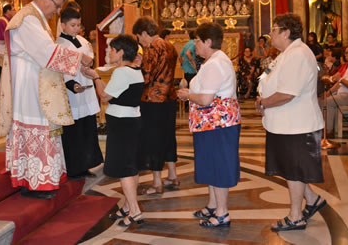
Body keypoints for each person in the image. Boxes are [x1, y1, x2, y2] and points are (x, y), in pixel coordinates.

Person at [0, 0, 93, 200]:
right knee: (35, 126)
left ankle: (38, 179)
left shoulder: (37, 19)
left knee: (43, 127)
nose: (57, 12)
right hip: (30, 86)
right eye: (57, 7)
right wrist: (78, 58)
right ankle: (34, 183)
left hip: (38, 82)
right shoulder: (28, 19)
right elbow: (46, 52)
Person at [255, 13, 326, 232]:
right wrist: (261, 97)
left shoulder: (298, 55)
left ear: (286, 32)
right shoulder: (286, 53)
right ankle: (312, 200)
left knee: (295, 171)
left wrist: (265, 102)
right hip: (286, 123)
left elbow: (287, 93)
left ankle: (296, 217)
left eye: (274, 30)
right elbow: (267, 78)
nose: (270, 35)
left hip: (297, 124)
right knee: (291, 168)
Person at [177, 22, 241, 228]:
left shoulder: (215, 63)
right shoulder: (213, 61)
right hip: (212, 123)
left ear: (208, 41)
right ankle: (213, 205)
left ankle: (222, 212)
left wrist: (188, 95)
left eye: (196, 41)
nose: (194, 45)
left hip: (217, 123)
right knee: (213, 164)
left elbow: (205, 99)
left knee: (219, 165)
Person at [82, 34, 145, 227]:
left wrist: (96, 77)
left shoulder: (122, 72)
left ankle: (135, 211)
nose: (108, 52)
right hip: (132, 121)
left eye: (112, 49)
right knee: (131, 165)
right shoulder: (135, 70)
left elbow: (104, 96)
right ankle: (127, 206)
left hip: (122, 124)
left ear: (121, 52)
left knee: (124, 169)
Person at [132, 17, 179, 194]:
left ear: (144, 33)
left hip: (153, 99)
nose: (139, 41)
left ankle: (157, 182)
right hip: (169, 97)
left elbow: (146, 77)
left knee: (154, 140)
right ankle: (173, 175)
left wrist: (136, 66)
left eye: (139, 37)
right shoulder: (170, 46)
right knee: (168, 136)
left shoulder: (151, 48)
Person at [56, 8, 103, 179]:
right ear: (63, 25)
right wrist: (72, 84)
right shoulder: (59, 45)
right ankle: (73, 167)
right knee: (74, 132)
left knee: (87, 129)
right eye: (72, 25)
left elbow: (90, 59)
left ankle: (86, 164)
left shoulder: (83, 40)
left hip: (86, 88)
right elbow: (59, 70)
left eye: (78, 25)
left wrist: (89, 62)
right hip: (72, 92)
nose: (76, 28)